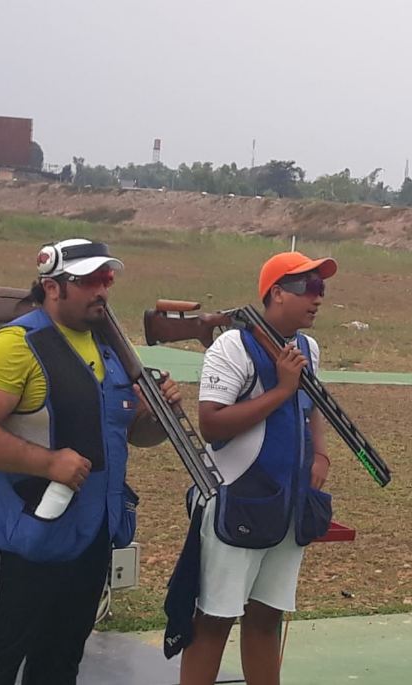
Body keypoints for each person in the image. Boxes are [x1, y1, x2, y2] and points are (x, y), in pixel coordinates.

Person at [0, 238, 181, 684]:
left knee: (61, 659)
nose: (102, 290)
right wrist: (48, 463)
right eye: (90, 280)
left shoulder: (111, 349)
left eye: (107, 279)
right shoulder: (14, 345)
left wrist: (157, 416)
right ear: (52, 286)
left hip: (90, 531)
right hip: (19, 527)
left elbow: (132, 436)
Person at [173, 251, 337, 685]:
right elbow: (210, 423)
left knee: (266, 619)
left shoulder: (307, 348)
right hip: (236, 501)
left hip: (287, 504)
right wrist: (283, 389)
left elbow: (313, 404)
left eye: (321, 289)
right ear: (276, 293)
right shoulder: (233, 344)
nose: (317, 298)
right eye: (307, 288)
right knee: (213, 622)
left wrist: (320, 454)